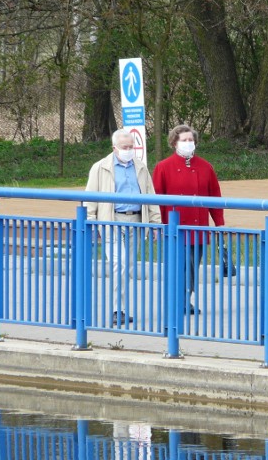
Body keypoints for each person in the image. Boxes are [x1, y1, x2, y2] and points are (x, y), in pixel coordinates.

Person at [152, 124, 231, 315]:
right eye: (184, 140)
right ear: (174, 143)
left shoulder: (205, 167)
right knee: (180, 266)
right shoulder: (163, 167)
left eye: (191, 140)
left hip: (198, 226)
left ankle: (186, 299)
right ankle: (179, 301)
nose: (188, 143)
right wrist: (158, 225)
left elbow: (215, 196)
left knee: (194, 266)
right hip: (175, 227)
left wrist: (219, 222)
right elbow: (156, 198)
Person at [86, 129, 161, 326]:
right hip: (111, 220)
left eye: (131, 147)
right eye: (124, 147)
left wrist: (155, 223)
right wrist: (91, 221)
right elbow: (90, 196)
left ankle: (123, 308)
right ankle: (117, 309)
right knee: (118, 263)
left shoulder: (141, 167)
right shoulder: (101, 167)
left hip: (135, 221)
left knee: (128, 266)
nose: (128, 150)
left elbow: (150, 196)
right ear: (114, 148)